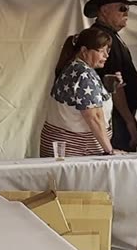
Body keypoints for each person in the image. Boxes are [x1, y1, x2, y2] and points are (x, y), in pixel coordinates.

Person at [84, 0, 137, 152]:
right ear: (104, 11)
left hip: (116, 115)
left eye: (127, 9)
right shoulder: (103, 38)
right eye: (122, 8)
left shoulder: (109, 36)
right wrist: (129, 121)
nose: (126, 13)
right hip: (113, 117)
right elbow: (113, 84)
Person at [42, 27, 115, 157]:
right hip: (77, 151)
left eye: (107, 50)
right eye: (101, 51)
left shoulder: (72, 67)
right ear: (84, 51)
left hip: (61, 146)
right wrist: (110, 151)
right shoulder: (84, 75)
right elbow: (94, 117)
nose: (106, 55)